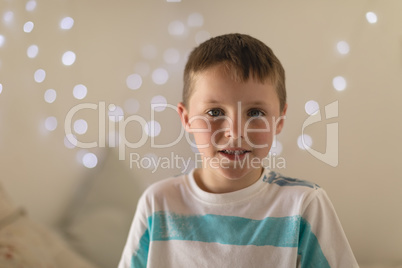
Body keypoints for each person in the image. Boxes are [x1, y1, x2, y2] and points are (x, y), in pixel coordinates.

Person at [118, 33, 359, 268]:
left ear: (279, 120)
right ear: (187, 118)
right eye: (215, 112)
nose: (235, 132)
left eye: (255, 113)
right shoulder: (157, 202)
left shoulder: (305, 205)